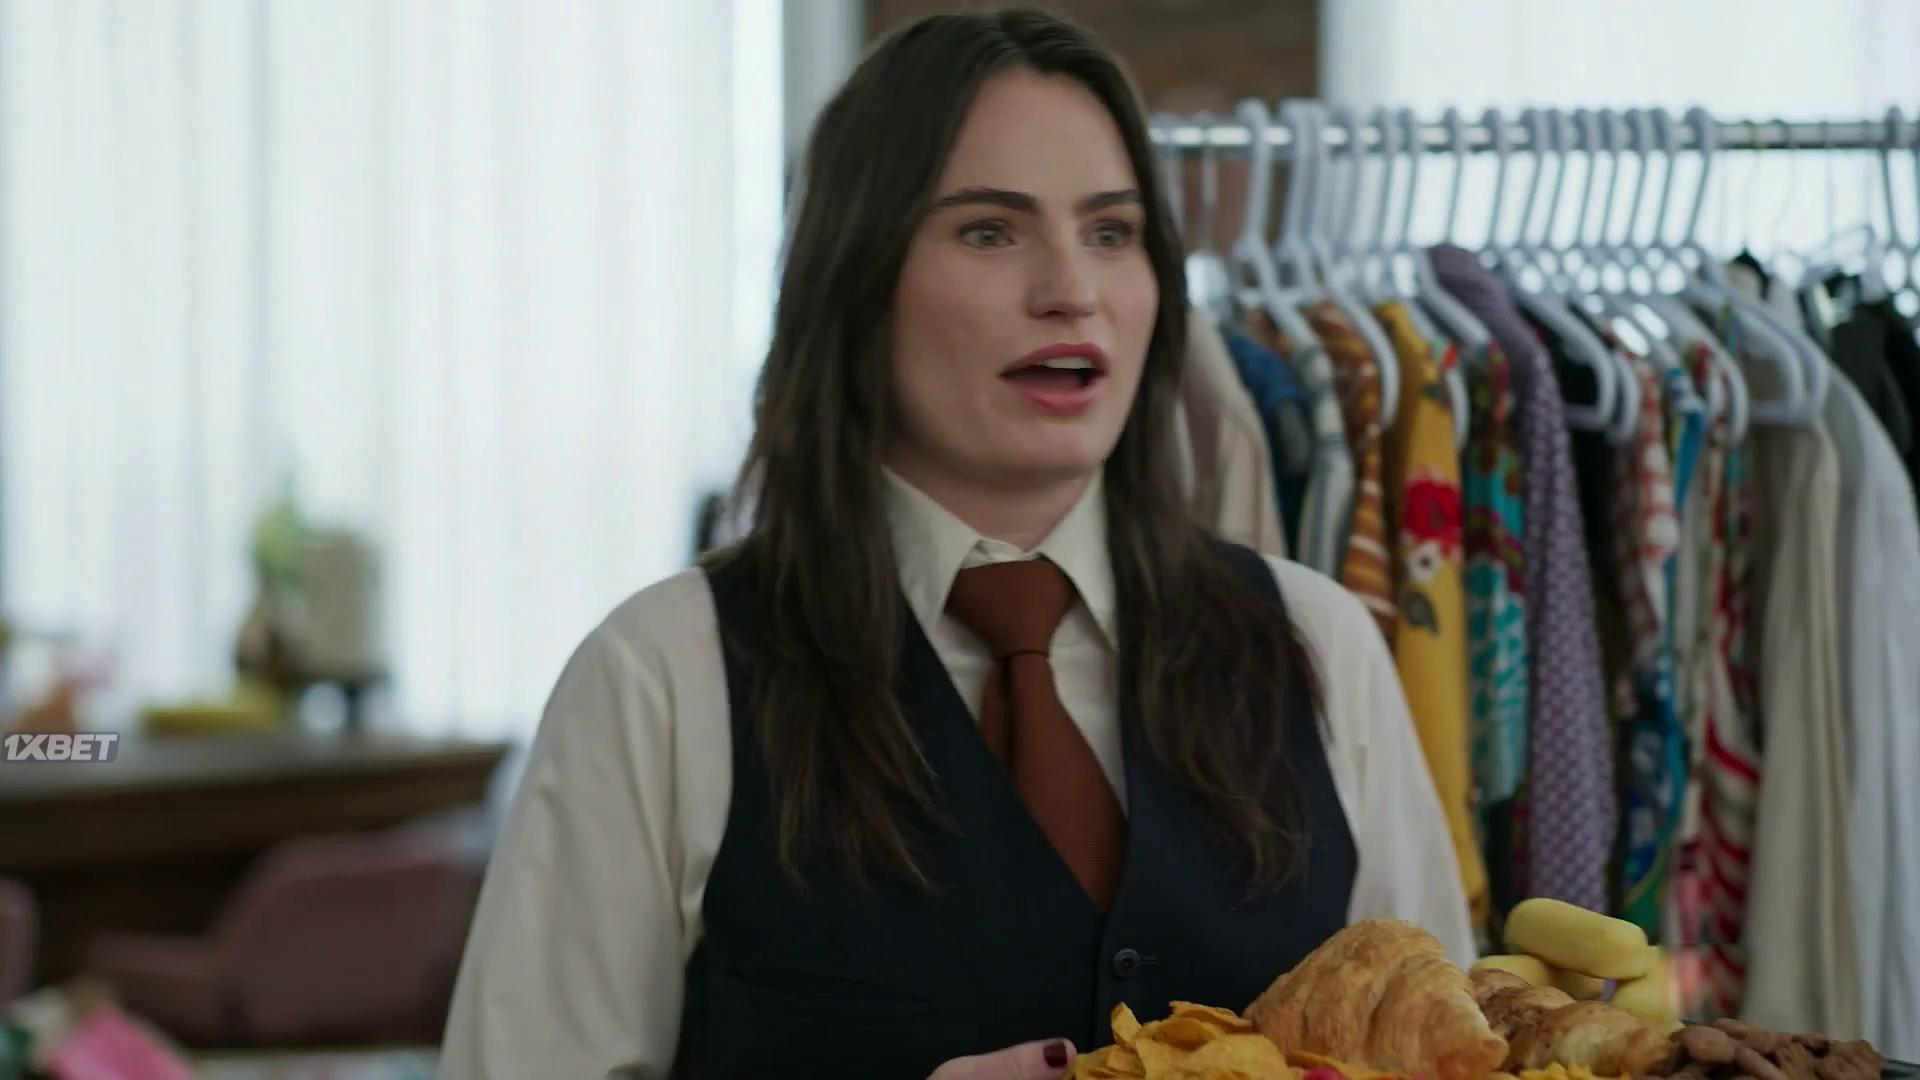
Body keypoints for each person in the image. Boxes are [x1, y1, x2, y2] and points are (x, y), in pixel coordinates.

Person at [437, 9, 1473, 1079]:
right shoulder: (663, 675)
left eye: (1112, 233)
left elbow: (1457, 1054)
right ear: (857, 279)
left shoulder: (1315, 642)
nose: (1071, 290)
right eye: (989, 232)